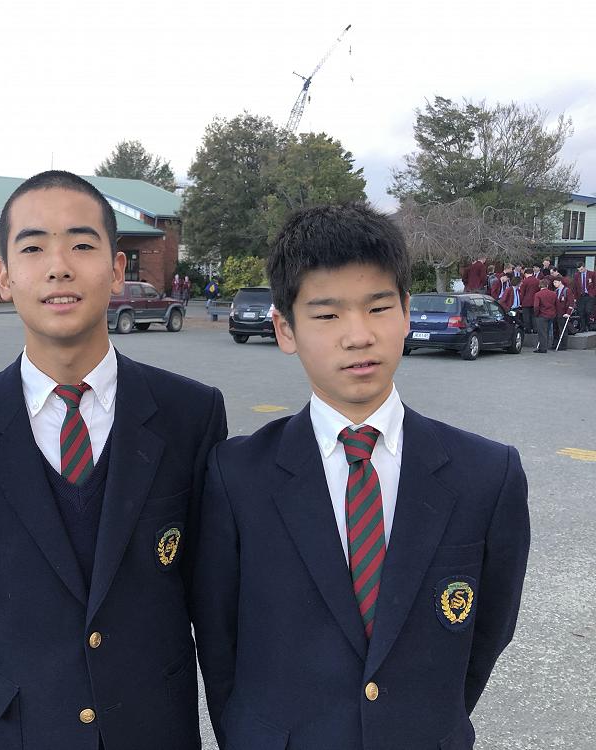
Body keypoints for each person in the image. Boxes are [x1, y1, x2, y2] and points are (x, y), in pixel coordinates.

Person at [193, 203, 529, 749]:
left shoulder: (486, 474)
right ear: (285, 329)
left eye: (378, 308)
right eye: (327, 316)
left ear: (406, 313)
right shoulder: (237, 475)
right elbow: (218, 638)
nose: (358, 336)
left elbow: (487, 632)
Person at [0, 171, 226, 750]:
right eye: (33, 248)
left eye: (82, 245)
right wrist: (0, 681)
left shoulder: (191, 415)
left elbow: (207, 593)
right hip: (19, 726)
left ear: (117, 269)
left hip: (153, 725)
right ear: (3, 276)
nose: (58, 267)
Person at [533, 278, 557, 353]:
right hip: (551, 314)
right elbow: (556, 304)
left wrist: (536, 314)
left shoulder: (538, 294)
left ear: (540, 285)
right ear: (547, 285)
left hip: (542, 315)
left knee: (542, 332)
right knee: (547, 331)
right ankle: (546, 345)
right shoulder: (553, 293)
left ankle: (543, 348)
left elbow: (536, 306)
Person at [552, 276, 576, 351]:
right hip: (556, 313)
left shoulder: (567, 291)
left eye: (555, 282)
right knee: (555, 329)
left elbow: (571, 303)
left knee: (562, 330)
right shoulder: (556, 291)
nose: (554, 284)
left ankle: (563, 345)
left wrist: (568, 313)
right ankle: (555, 344)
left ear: (560, 282)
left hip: (563, 313)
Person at [572, 261, 594, 332]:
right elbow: (574, 287)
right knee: (581, 312)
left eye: (581, 269)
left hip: (589, 296)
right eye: (579, 270)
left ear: (584, 267)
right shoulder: (576, 275)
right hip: (580, 296)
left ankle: (587, 324)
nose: (580, 271)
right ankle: (583, 327)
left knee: (588, 311)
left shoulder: (592, 274)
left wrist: (593, 293)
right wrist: (575, 297)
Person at [519, 267, 539, 334]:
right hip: (535, 301)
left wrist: (520, 302)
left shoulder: (524, 281)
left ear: (526, 274)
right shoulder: (537, 281)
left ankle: (528, 330)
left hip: (526, 302)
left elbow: (522, 292)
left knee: (526, 317)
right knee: (534, 316)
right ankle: (535, 329)